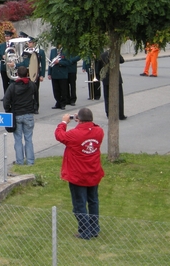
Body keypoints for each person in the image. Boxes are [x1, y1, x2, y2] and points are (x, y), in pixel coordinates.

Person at [55, 108, 104, 240]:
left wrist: (64, 122)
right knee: (93, 201)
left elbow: (59, 135)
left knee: (79, 204)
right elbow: (90, 128)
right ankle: (94, 228)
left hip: (78, 175)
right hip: (93, 173)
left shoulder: (74, 134)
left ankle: (85, 231)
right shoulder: (99, 131)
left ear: (79, 120)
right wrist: (82, 121)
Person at [3, 66, 37, 165]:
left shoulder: (12, 86)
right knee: (28, 139)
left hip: (17, 114)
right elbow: (36, 99)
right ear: (27, 74)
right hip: (29, 114)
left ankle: (20, 161)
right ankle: (30, 161)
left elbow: (6, 101)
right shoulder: (32, 85)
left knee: (18, 139)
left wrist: (8, 110)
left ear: (17, 74)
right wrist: (34, 109)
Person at [18, 36, 46, 113]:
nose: (28, 44)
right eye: (28, 42)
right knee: (27, 91)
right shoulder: (25, 51)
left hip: (36, 73)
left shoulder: (40, 51)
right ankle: (29, 107)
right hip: (27, 73)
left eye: (30, 42)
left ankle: (36, 107)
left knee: (35, 90)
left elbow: (43, 64)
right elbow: (23, 62)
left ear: (34, 43)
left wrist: (42, 75)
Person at [99, 50, 126, 120]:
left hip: (106, 78)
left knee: (107, 97)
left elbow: (99, 67)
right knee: (119, 97)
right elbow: (122, 60)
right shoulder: (115, 53)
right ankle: (120, 114)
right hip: (116, 78)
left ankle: (109, 114)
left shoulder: (102, 55)